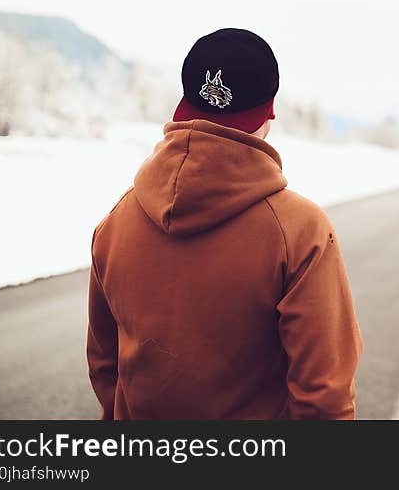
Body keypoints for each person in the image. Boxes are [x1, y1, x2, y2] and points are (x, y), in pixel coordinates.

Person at [86, 28, 362, 419]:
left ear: (183, 104)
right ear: (268, 113)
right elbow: (323, 394)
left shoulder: (115, 223)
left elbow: (104, 367)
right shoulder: (299, 231)